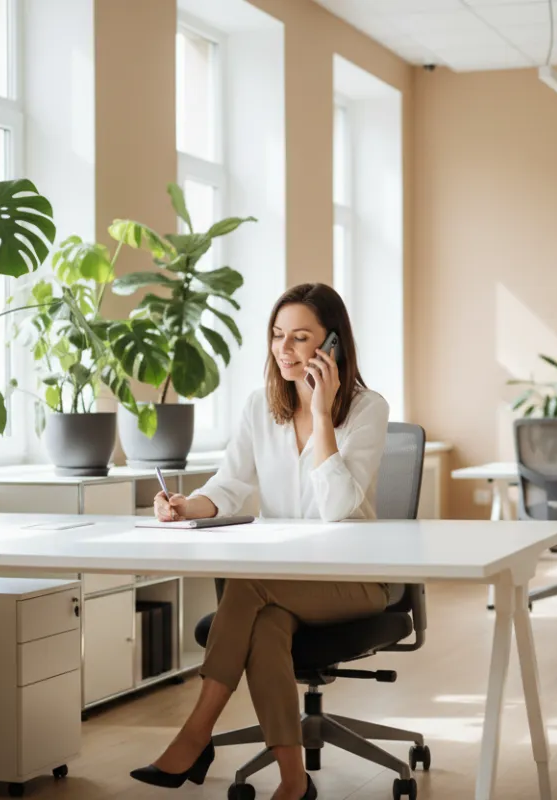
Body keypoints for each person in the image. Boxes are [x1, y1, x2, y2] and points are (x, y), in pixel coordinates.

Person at [129, 283, 391, 800]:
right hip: (284, 583)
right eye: (277, 335)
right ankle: (294, 782)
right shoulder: (260, 406)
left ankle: (196, 734)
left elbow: (338, 508)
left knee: (247, 583)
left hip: (355, 578)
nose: (283, 349)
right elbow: (229, 485)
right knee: (267, 626)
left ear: (332, 344)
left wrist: (322, 414)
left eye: (300, 337)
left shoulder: (367, 409)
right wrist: (187, 505)